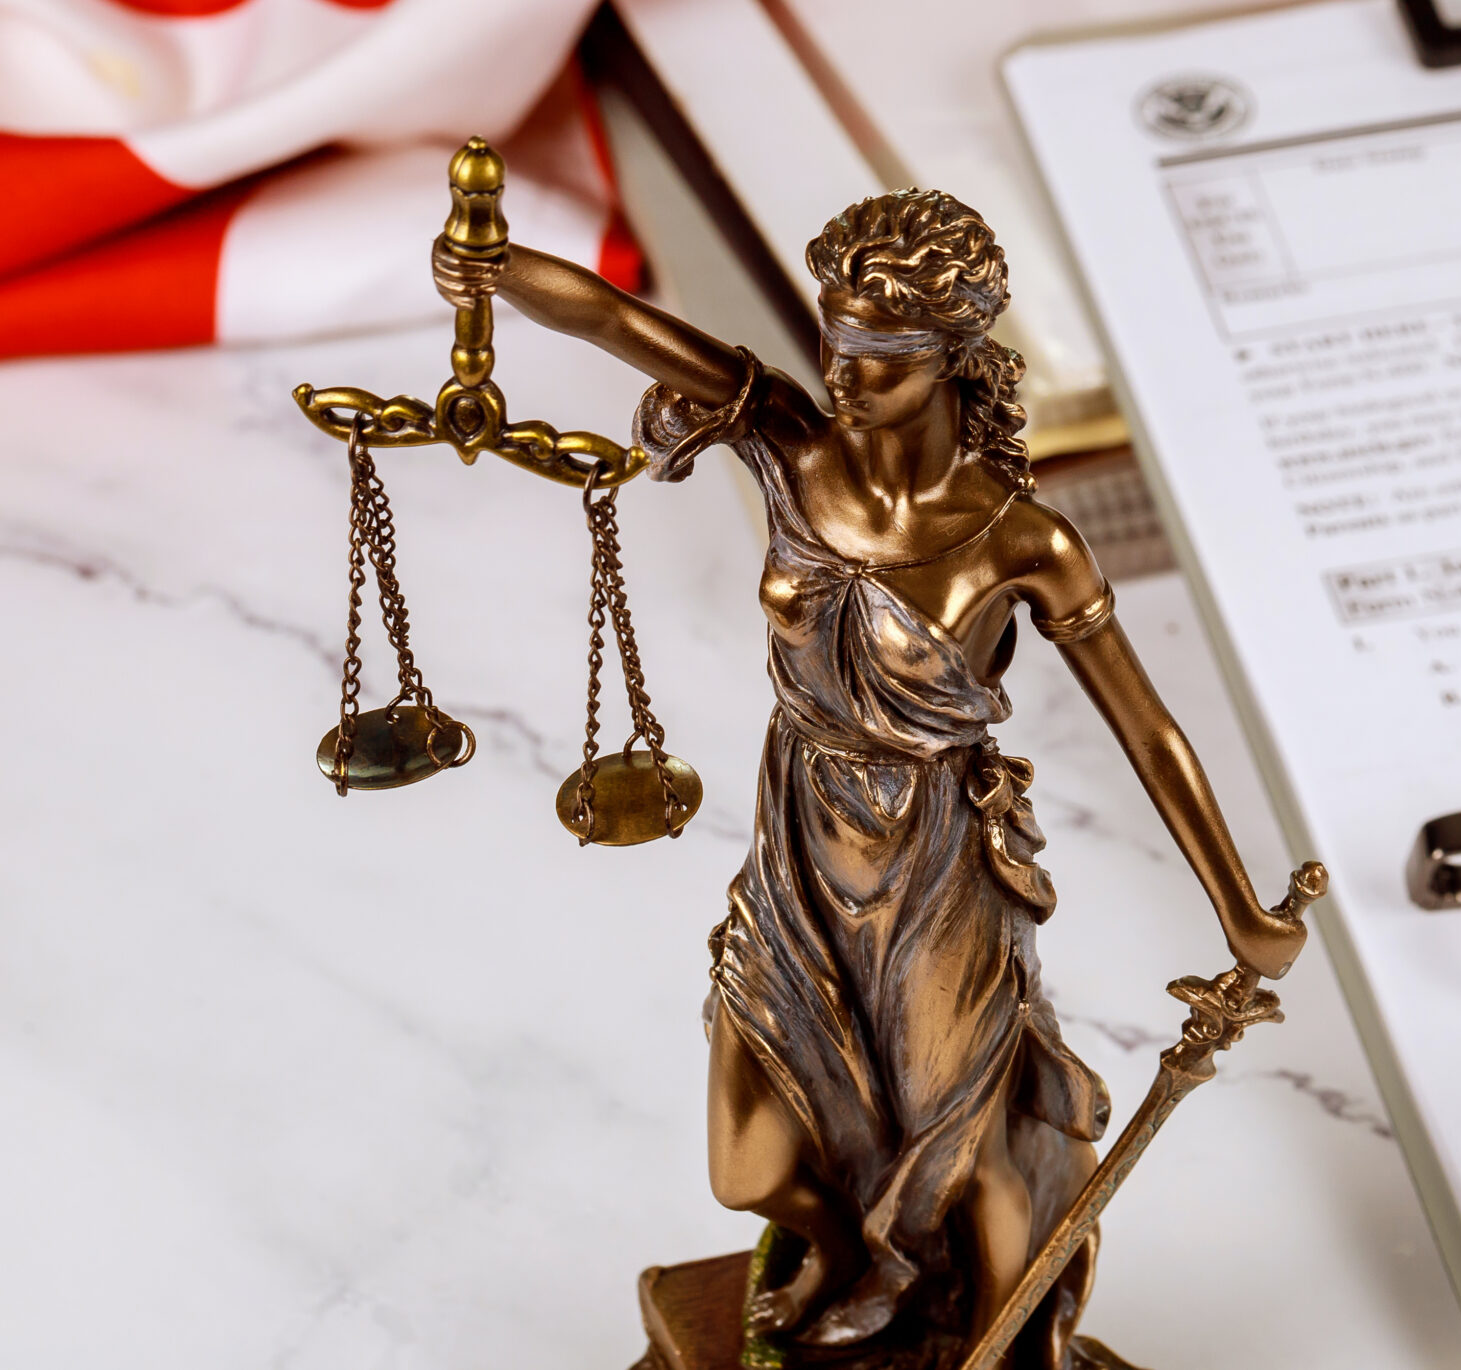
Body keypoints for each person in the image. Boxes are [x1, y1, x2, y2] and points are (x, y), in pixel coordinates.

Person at [436, 186, 1307, 1366]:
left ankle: (986, 1330)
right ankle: (842, 1254)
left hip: (935, 866)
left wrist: (1240, 907)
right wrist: (493, 266)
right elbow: (616, 321)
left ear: (952, 358)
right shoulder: (790, 442)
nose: (843, 378)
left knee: (962, 1133)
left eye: (880, 358)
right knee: (750, 1151)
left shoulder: (1020, 537)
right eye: (835, 344)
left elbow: (1152, 731)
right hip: (797, 831)